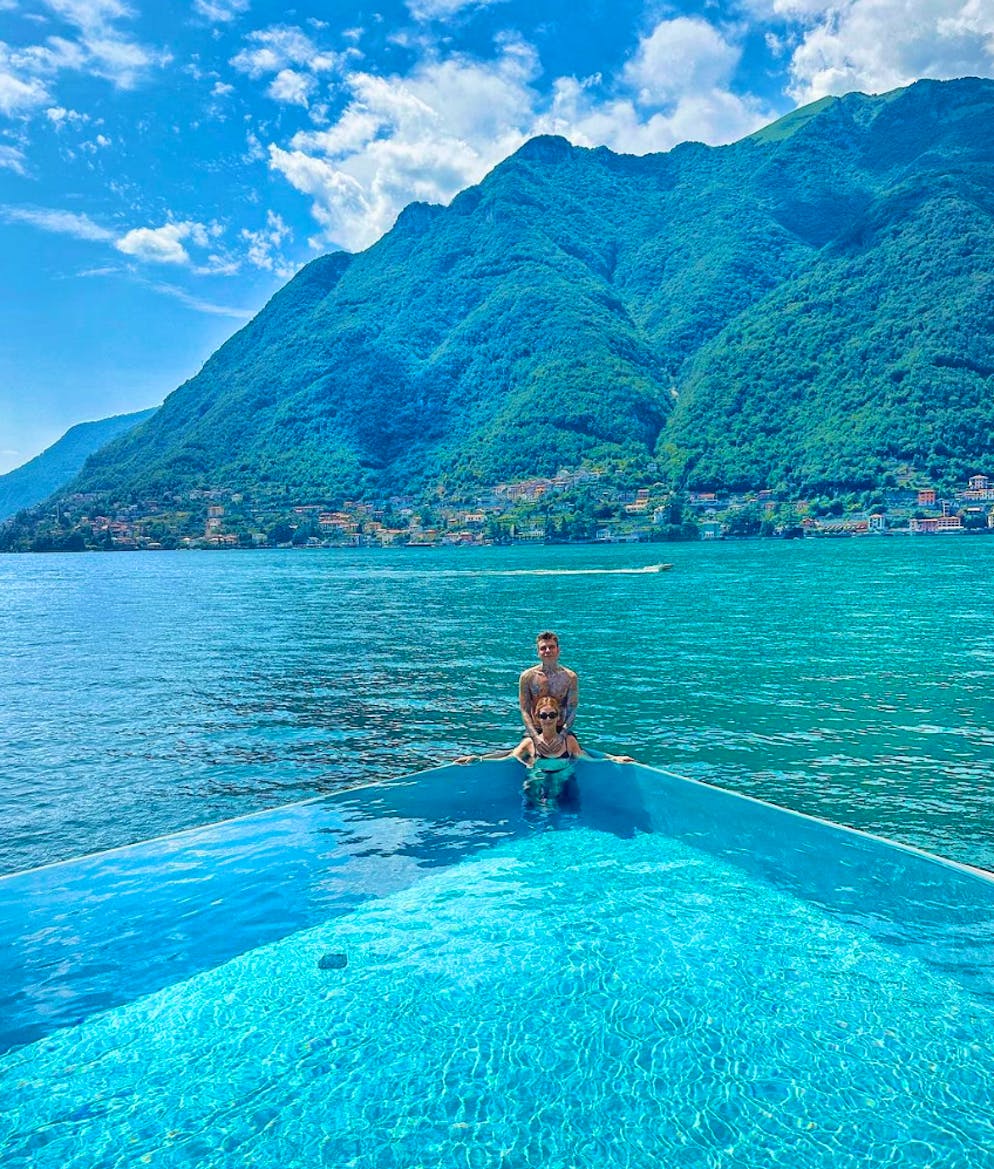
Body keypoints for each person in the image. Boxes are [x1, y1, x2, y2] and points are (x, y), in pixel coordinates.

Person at [518, 631, 578, 747]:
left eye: (551, 647)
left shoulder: (570, 677)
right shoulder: (527, 677)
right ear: (538, 652)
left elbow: (572, 709)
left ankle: (615, 759)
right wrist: (535, 737)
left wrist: (562, 735)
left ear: (558, 650)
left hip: (560, 729)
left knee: (576, 753)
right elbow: (525, 710)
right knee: (520, 754)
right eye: (543, 648)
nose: (547, 651)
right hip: (536, 729)